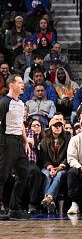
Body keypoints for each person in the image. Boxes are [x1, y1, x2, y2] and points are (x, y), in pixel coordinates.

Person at [0, 75, 32, 220]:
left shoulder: (21, 103)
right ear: (12, 85)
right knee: (2, 175)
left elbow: (20, 124)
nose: (22, 85)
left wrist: (25, 141)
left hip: (18, 141)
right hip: (6, 141)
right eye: (19, 82)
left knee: (24, 175)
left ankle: (14, 208)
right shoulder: (4, 102)